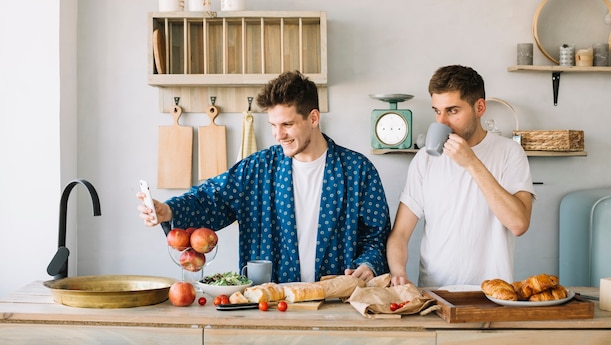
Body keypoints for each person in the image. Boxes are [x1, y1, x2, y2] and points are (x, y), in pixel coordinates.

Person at [138, 70, 391, 283]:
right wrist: (169, 210)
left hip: (338, 306)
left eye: (287, 125)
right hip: (268, 304)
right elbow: (211, 199)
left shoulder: (358, 171)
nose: (277, 135)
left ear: (313, 118)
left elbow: (375, 236)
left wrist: (367, 265)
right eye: (272, 125)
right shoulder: (257, 169)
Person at [386, 65, 535, 287]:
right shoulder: (425, 160)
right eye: (437, 111)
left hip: (493, 296)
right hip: (436, 297)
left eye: (452, 111)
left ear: (480, 107)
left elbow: (519, 224)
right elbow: (399, 234)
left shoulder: (509, 152)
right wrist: (398, 272)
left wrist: (472, 162)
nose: (442, 122)